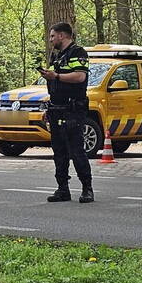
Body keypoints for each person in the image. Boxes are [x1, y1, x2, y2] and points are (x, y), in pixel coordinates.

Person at [39, 22, 94, 203]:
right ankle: (63, 189)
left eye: (53, 36)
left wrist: (56, 76)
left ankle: (87, 189)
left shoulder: (78, 52)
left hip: (73, 111)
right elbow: (55, 85)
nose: (51, 40)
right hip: (56, 109)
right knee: (59, 152)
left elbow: (80, 76)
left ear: (62, 36)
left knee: (76, 151)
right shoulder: (57, 56)